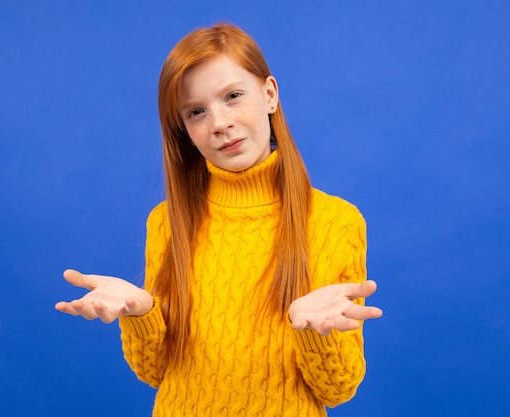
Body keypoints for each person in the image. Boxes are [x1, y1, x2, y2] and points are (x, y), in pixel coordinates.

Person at [55, 23, 383, 416]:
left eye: (233, 96)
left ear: (269, 94)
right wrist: (141, 313)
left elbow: (338, 388)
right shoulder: (167, 222)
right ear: (185, 132)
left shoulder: (336, 222)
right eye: (197, 111)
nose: (219, 123)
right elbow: (155, 372)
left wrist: (315, 332)